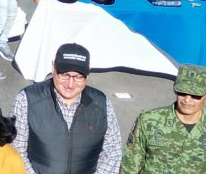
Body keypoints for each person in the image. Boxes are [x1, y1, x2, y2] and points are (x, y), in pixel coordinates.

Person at [11, 44, 123, 174]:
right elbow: (16, 150)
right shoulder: (26, 99)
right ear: (53, 67)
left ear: (88, 72)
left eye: (78, 77)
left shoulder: (102, 104)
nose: (70, 84)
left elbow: (113, 153)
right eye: (65, 75)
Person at [119, 65, 206, 174]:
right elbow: (129, 167)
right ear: (175, 90)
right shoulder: (149, 121)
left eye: (196, 95)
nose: (187, 100)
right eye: (182, 92)